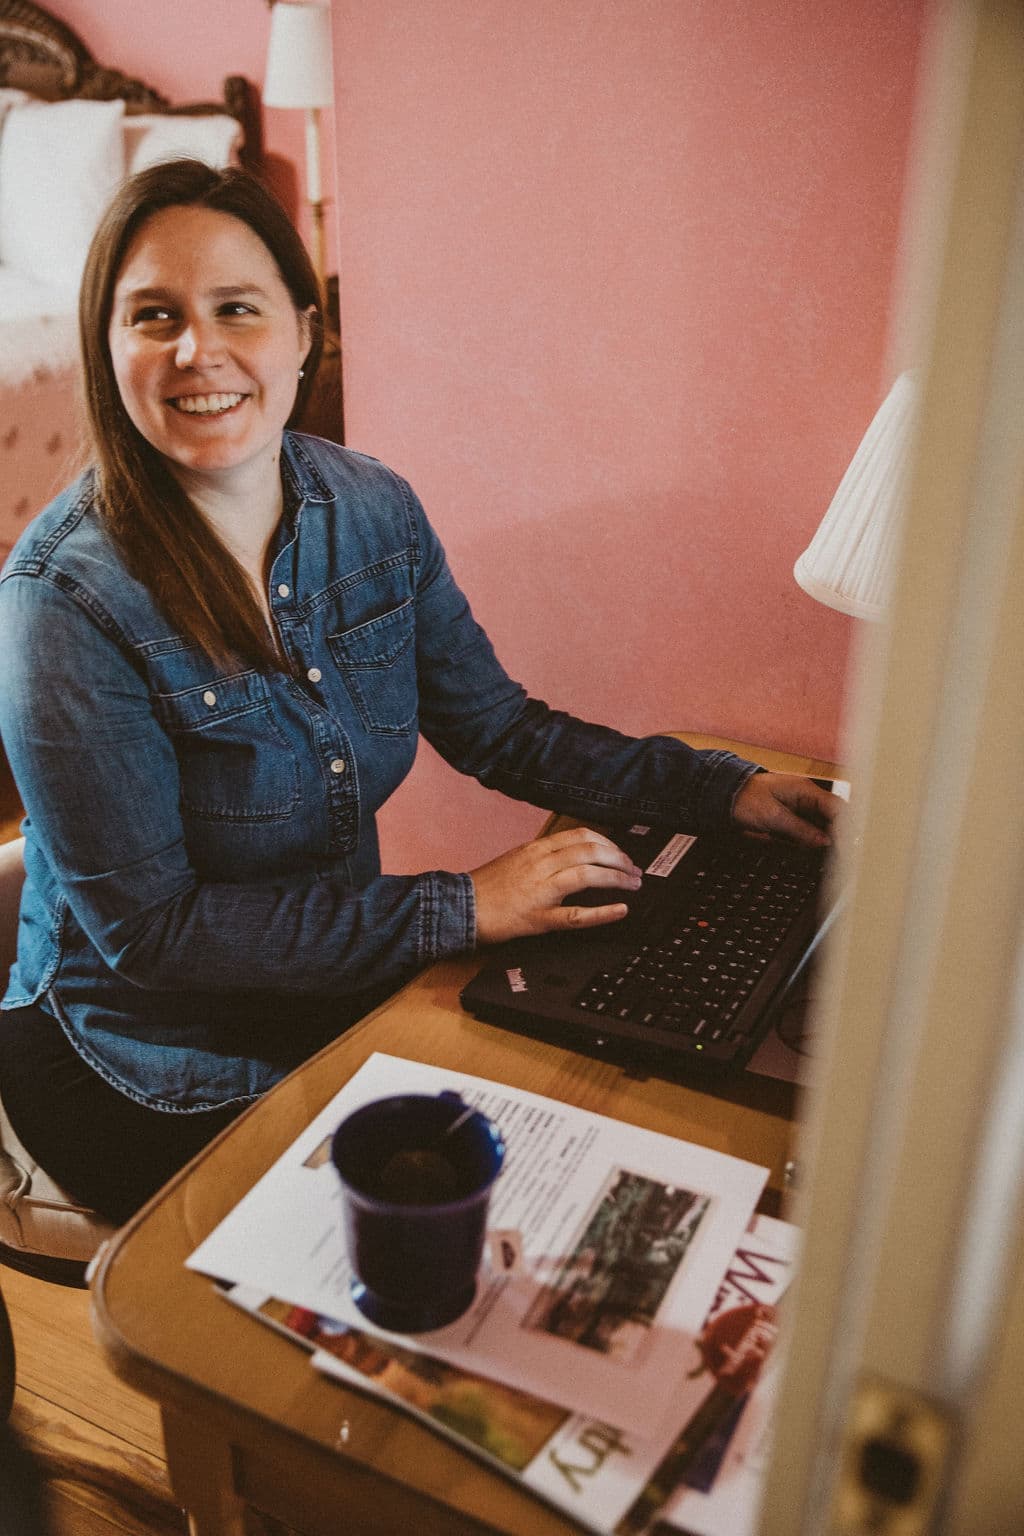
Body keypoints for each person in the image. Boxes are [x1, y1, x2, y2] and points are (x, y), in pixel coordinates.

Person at [0, 161, 839, 1224]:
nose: (196, 351)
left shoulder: (372, 511)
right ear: (105, 347)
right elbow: (154, 936)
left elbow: (500, 730)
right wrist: (466, 904)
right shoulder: (61, 601)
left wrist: (721, 792)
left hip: (327, 986)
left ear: (305, 333)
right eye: (153, 316)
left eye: (237, 310)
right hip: (145, 1062)